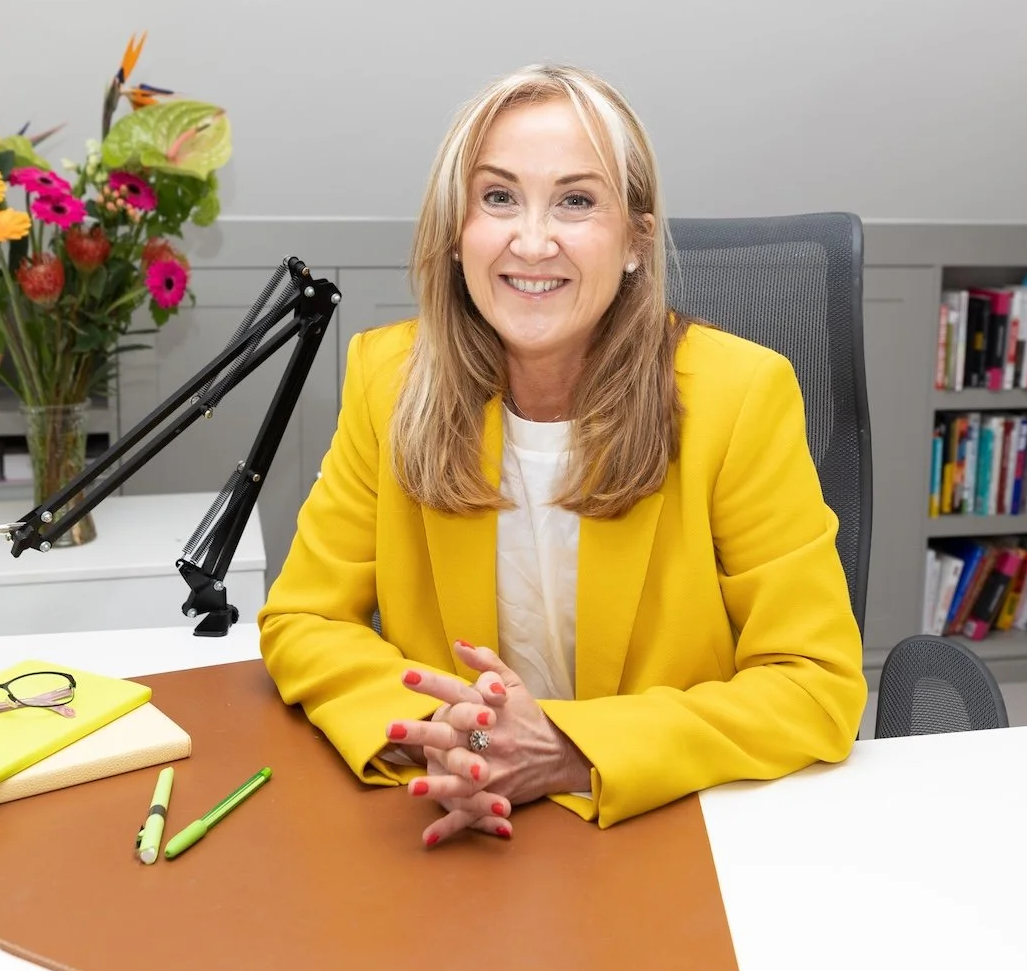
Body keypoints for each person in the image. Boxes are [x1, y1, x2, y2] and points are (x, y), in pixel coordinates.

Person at [258, 65, 867, 847]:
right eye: (499, 197)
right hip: (460, 828)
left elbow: (813, 685)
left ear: (636, 242)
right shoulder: (388, 381)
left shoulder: (739, 393)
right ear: (456, 232)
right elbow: (305, 617)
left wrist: (566, 750)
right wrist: (451, 733)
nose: (533, 240)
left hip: (664, 831)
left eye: (576, 201)